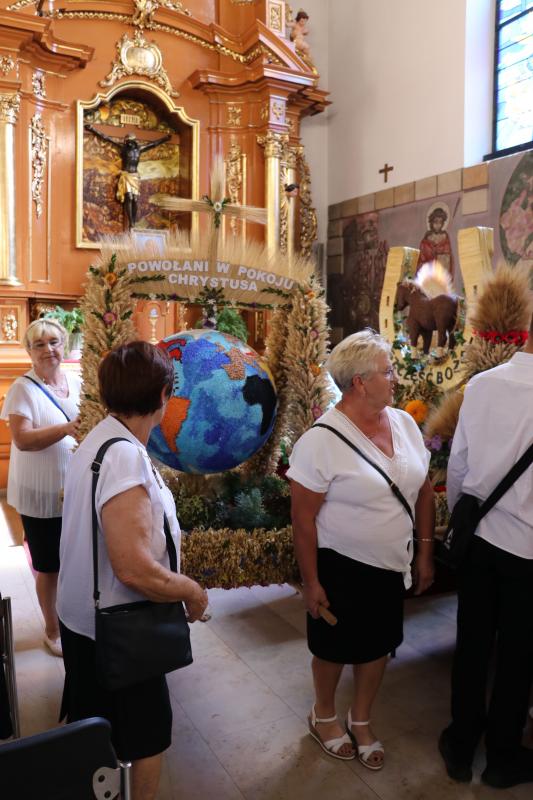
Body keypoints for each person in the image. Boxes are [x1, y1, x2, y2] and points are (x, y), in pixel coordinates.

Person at [57, 341, 208, 800]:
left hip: (85, 621)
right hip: (119, 629)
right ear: (163, 395)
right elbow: (133, 568)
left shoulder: (101, 438)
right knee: (146, 737)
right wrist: (191, 591)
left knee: (98, 737)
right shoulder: (123, 455)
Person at [287, 329, 435, 768]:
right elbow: (302, 520)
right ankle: (324, 715)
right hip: (341, 567)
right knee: (333, 649)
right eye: (388, 371)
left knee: (378, 646)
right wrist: (311, 582)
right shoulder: (320, 441)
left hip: (392, 563)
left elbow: (424, 489)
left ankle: (362, 717)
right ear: (360, 382)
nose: (395, 378)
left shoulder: (404, 423)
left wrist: (424, 552)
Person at [439, 313, 533, 789]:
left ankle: (460, 745)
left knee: (472, 645)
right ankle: (502, 756)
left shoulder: (483, 384)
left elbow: (458, 465)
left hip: (479, 540)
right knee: (518, 657)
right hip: (528, 552)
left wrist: (460, 521)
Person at [0, 319, 81, 657]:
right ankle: (52, 629)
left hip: (74, 491)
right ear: (29, 351)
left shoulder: (76, 380)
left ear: (64, 345)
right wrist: (66, 428)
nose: (48, 350)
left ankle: (75, 620)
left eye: (54, 342)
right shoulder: (23, 388)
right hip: (40, 494)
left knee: (75, 561)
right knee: (49, 566)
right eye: (39, 344)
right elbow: (23, 439)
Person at [84, 124, 171, 229]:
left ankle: (133, 220)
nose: (129, 142)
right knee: (129, 197)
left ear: (133, 141)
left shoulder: (139, 149)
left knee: (135, 199)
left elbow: (153, 144)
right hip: (126, 175)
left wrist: (166, 138)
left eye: (130, 140)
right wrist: (93, 129)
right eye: (128, 140)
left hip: (135, 176)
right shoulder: (123, 148)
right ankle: (131, 223)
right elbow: (106, 138)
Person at [416, 206, 454, 279]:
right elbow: (422, 258)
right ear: (432, 222)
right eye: (436, 222)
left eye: (440, 222)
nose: (438, 225)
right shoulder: (426, 240)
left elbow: (448, 258)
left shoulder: (445, 238)